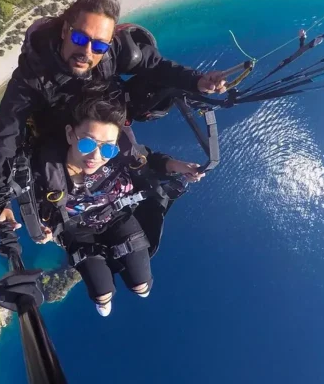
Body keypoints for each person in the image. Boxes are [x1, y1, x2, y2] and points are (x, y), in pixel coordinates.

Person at [0, 0, 225, 220]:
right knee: (51, 168)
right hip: (59, 127)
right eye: (80, 39)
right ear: (65, 30)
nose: (87, 52)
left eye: (99, 46)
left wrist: (197, 81)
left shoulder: (114, 51)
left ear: (109, 44)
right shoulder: (31, 77)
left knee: (136, 139)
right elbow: (6, 135)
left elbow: (156, 65)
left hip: (99, 119)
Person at [31, 81, 203, 316]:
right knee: (102, 294)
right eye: (87, 143)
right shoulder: (48, 171)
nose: (96, 156)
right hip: (77, 228)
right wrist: (43, 229)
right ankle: (103, 297)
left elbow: (147, 160)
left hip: (118, 215)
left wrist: (179, 166)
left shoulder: (122, 154)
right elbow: (33, 204)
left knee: (141, 286)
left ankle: (120, 283)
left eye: (107, 149)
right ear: (70, 134)